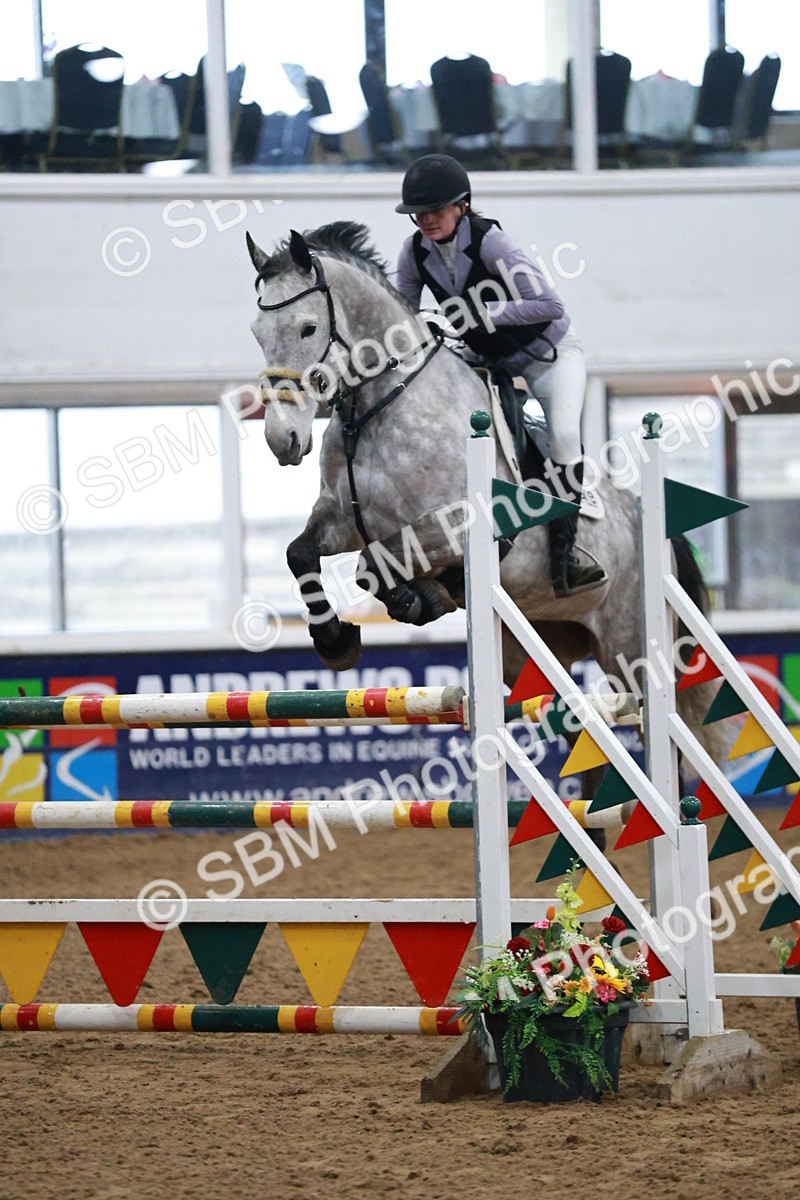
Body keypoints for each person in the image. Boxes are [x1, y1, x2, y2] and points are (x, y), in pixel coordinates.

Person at [394, 153, 606, 598]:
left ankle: (567, 557)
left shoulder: (494, 244)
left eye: (435, 210)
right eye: (419, 213)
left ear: (462, 206)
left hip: (548, 356)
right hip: (487, 362)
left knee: (564, 436)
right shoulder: (413, 253)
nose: (426, 220)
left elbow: (549, 305)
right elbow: (402, 314)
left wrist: (480, 311)